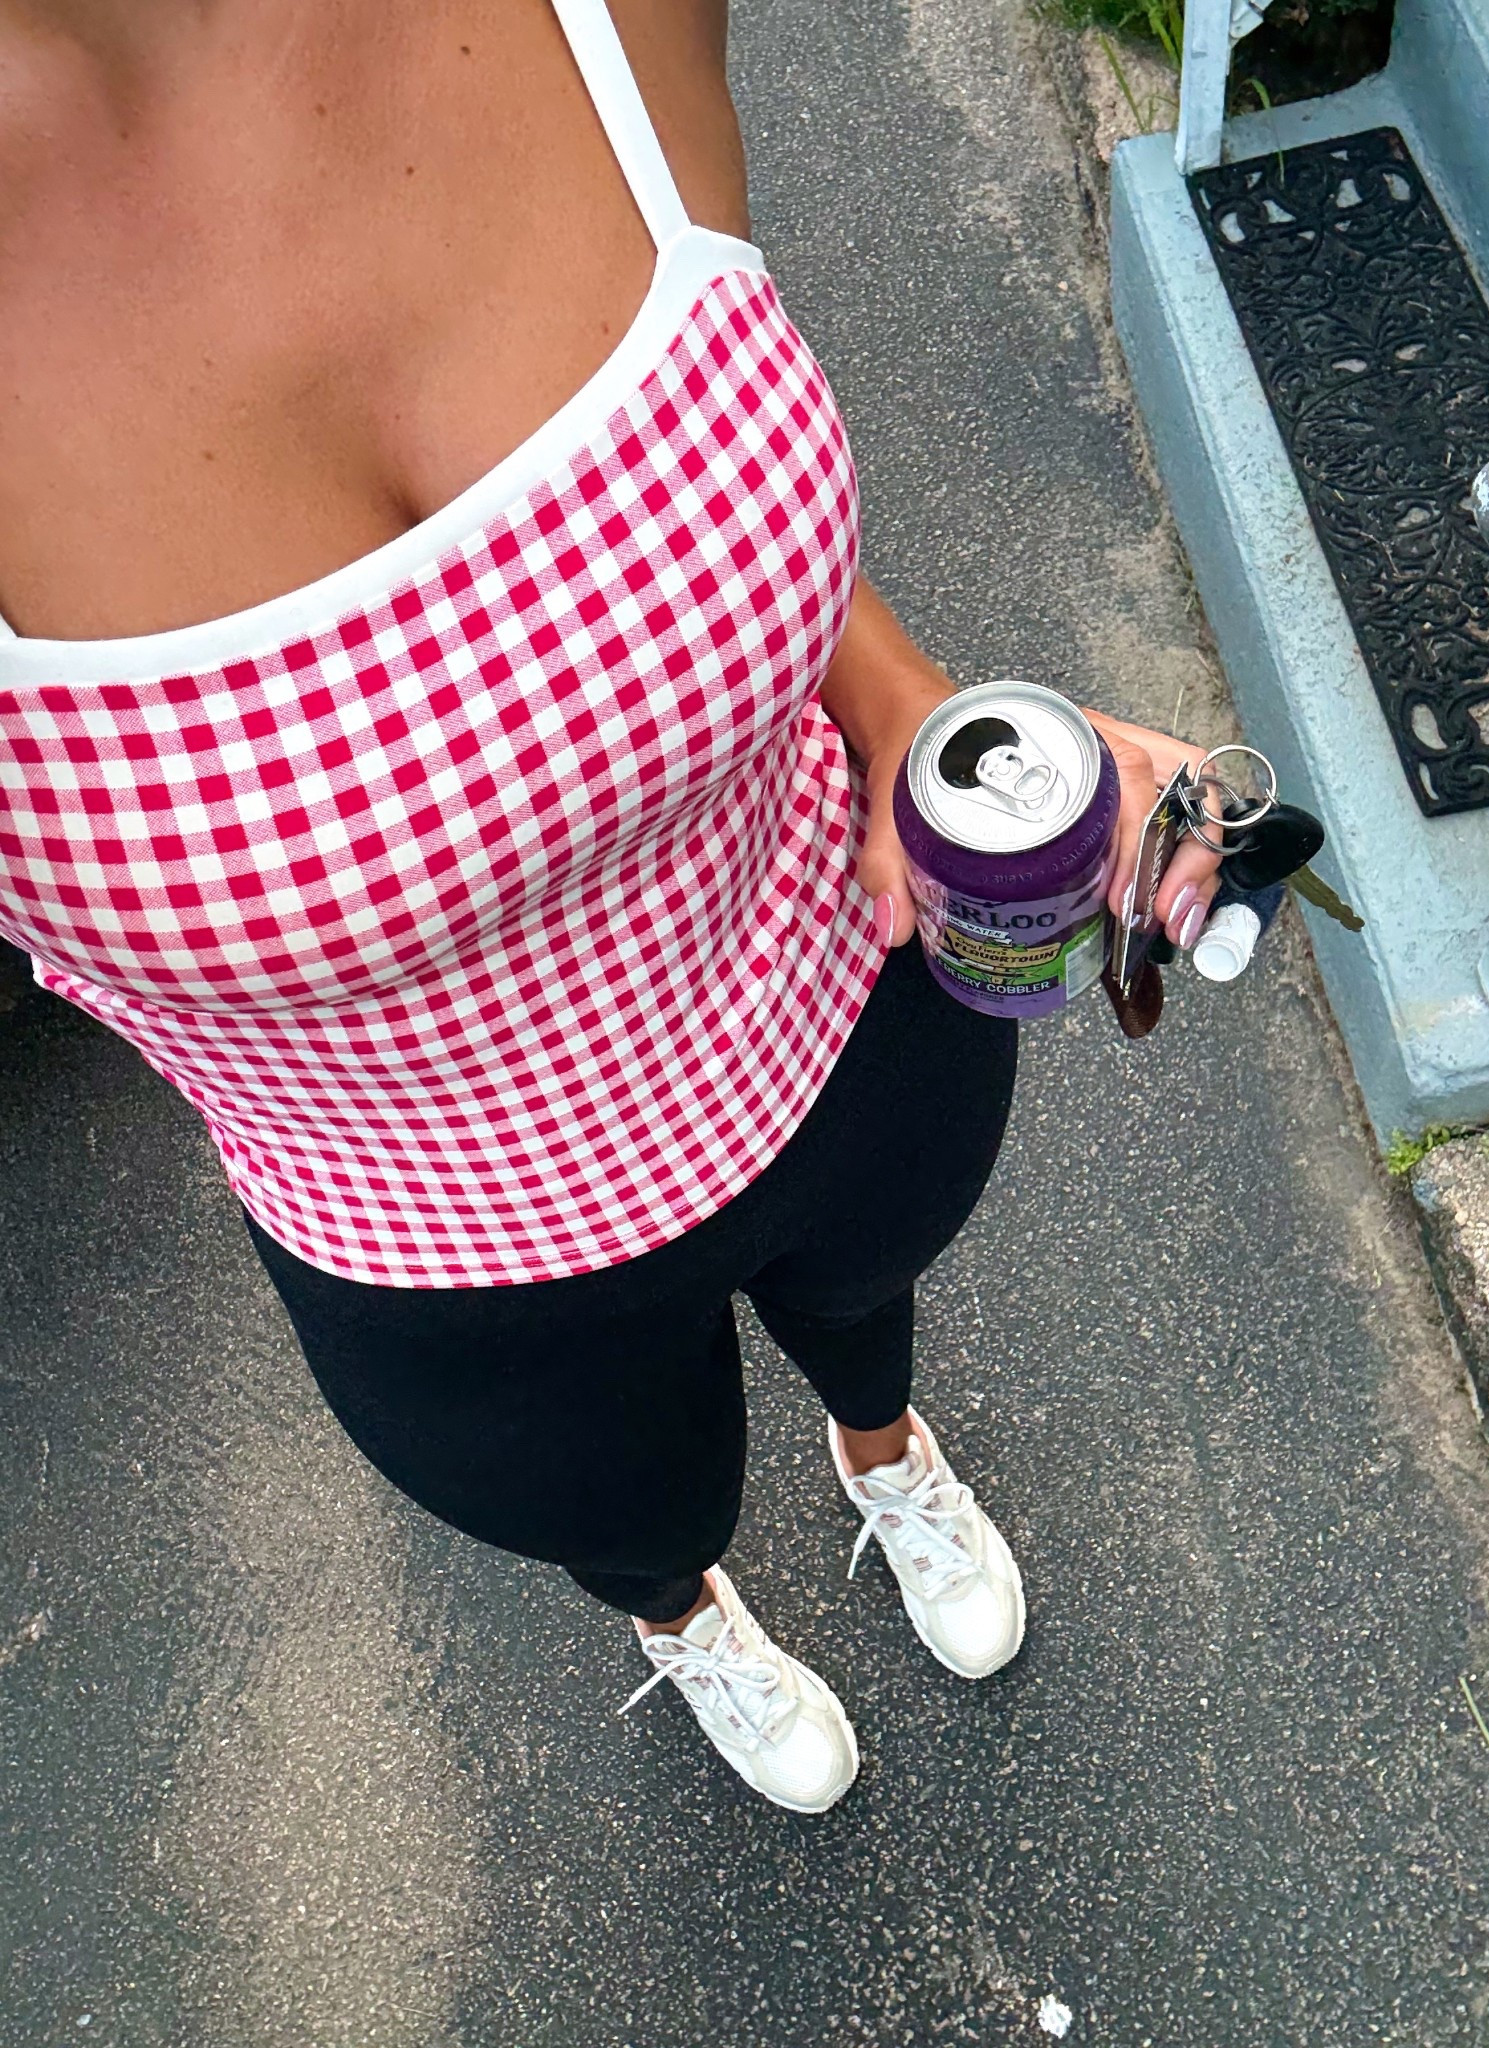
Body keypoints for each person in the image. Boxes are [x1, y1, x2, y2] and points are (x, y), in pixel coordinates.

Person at [0, 0, 1223, 1812]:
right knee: (639, 1517)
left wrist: (900, 701)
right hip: (448, 1253)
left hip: (843, 990)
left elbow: (669, 460)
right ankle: (686, 1620)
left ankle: (886, 1458)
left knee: (871, 1303)